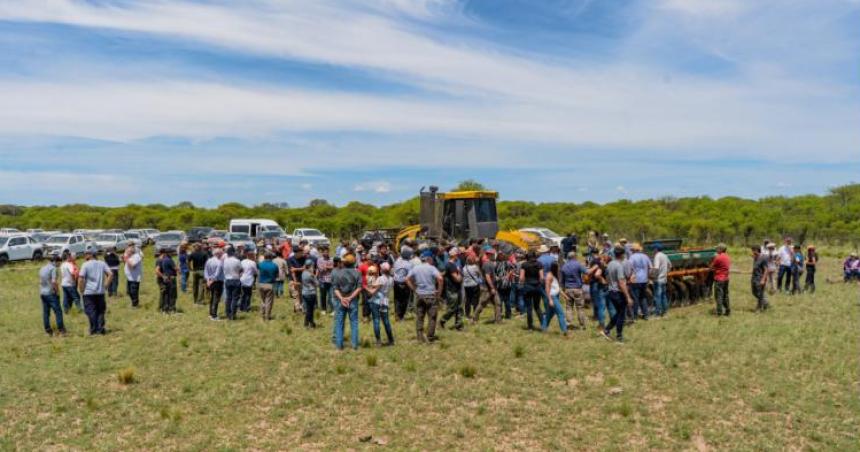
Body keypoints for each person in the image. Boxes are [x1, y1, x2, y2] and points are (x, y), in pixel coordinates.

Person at [406, 250, 443, 343]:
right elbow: (440, 278)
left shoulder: (416, 268)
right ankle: (430, 337)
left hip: (419, 295)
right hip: (431, 295)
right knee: (432, 317)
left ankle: (419, 337)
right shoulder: (432, 268)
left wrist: (414, 289)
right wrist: (439, 292)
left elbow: (407, 279)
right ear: (429, 259)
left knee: (420, 317)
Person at [602, 246, 634, 342]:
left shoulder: (610, 264)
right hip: (618, 293)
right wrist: (628, 297)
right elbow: (621, 282)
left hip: (611, 291)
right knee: (621, 315)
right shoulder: (619, 266)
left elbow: (607, 278)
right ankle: (619, 336)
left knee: (618, 313)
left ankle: (607, 330)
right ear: (622, 255)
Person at [78, 251, 113, 335]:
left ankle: (94, 329)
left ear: (90, 255)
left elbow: (81, 278)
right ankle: (100, 328)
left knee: (90, 311)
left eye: (86, 254)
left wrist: (81, 289)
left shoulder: (85, 265)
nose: (84, 255)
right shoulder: (102, 263)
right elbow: (111, 274)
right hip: (100, 292)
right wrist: (106, 285)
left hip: (89, 292)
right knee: (100, 311)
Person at [332, 254, 362, 350]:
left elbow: (335, 289)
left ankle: (339, 345)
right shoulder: (357, 273)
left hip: (341, 301)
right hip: (352, 301)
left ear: (344, 262)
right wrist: (350, 298)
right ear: (354, 262)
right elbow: (359, 288)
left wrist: (341, 298)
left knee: (339, 323)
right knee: (354, 323)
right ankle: (354, 345)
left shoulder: (338, 273)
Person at [367, 263, 395, 346]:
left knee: (376, 320)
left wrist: (364, 286)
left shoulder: (380, 279)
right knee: (386, 321)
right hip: (385, 301)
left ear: (382, 269)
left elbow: (372, 291)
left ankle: (378, 341)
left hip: (376, 301)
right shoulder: (391, 279)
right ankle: (391, 340)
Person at [39, 256, 66, 336]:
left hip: (43, 293)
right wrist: (57, 292)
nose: (59, 264)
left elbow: (40, 281)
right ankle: (61, 330)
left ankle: (48, 330)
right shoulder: (53, 269)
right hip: (51, 293)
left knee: (46, 313)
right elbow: (54, 282)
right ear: (55, 261)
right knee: (58, 311)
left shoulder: (42, 268)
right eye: (59, 262)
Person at [473, 249, 501, 324]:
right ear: (489, 255)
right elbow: (487, 277)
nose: (494, 255)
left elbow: (491, 276)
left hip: (493, 287)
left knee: (497, 303)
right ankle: (474, 320)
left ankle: (498, 321)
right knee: (482, 304)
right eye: (493, 254)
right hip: (487, 288)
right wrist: (491, 288)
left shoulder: (491, 263)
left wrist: (496, 278)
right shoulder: (487, 264)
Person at [560, 251, 587, 330]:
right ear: (575, 256)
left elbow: (562, 281)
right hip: (577, 289)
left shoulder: (564, 266)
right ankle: (582, 325)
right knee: (580, 308)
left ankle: (568, 324)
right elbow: (586, 272)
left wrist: (563, 290)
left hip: (568, 289)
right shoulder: (578, 264)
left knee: (568, 307)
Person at [440, 247, 464, 330]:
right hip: (452, 290)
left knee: (459, 308)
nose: (458, 256)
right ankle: (442, 320)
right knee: (452, 308)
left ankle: (459, 325)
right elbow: (457, 279)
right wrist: (460, 272)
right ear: (454, 255)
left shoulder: (450, 264)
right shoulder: (451, 265)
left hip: (456, 289)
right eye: (457, 254)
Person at [541, 261, 568, 335]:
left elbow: (557, 287)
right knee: (561, 313)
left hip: (556, 296)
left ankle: (543, 327)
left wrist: (564, 295)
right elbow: (547, 289)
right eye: (558, 267)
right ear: (554, 268)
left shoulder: (555, 275)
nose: (559, 268)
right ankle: (565, 331)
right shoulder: (549, 276)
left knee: (549, 314)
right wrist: (550, 300)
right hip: (552, 297)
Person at [519, 251, 544, 331]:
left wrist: (522, 284)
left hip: (527, 287)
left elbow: (521, 277)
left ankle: (530, 327)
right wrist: (539, 284)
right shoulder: (539, 264)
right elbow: (542, 277)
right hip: (537, 287)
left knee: (529, 308)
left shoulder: (524, 265)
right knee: (537, 307)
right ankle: (543, 325)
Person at [627, 243, 651, 320]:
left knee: (635, 298)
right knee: (643, 297)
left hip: (635, 280)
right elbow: (651, 267)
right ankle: (646, 315)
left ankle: (635, 316)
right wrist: (648, 276)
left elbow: (628, 268)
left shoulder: (632, 257)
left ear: (633, 250)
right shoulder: (645, 256)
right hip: (644, 280)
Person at [587, 254, 609, 329]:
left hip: (597, 285)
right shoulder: (600, 265)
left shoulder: (600, 265)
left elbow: (591, 273)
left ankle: (599, 320)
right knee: (601, 305)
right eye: (604, 260)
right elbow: (597, 274)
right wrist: (603, 280)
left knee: (599, 304)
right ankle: (601, 323)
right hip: (599, 285)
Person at [392, 249, 414, 321]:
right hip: (404, 283)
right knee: (405, 300)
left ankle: (397, 315)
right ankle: (401, 316)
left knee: (397, 299)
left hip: (396, 282)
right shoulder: (409, 264)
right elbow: (410, 276)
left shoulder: (397, 262)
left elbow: (394, 270)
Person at [205, 248, 225, 320]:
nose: (222, 255)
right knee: (216, 298)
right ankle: (214, 315)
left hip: (210, 281)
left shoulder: (209, 260)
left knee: (212, 297)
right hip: (217, 281)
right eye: (221, 253)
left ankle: (211, 313)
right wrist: (212, 280)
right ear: (218, 254)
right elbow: (217, 273)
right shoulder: (219, 262)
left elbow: (206, 271)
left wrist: (208, 280)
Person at [223, 247, 243, 320]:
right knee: (235, 298)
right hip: (235, 279)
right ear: (233, 252)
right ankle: (233, 314)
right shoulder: (237, 261)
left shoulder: (225, 260)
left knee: (228, 298)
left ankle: (228, 314)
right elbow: (241, 270)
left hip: (227, 280)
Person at [494, 250, 515, 320]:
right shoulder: (495, 263)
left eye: (502, 255)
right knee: (499, 300)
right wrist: (496, 277)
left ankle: (508, 314)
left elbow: (513, 268)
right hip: (499, 284)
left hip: (507, 284)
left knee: (507, 300)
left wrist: (508, 275)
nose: (501, 256)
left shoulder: (507, 262)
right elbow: (493, 273)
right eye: (499, 255)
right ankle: (499, 314)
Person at [711, 244, 731, 316]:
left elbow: (712, 267)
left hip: (719, 279)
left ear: (721, 249)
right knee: (725, 295)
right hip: (726, 278)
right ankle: (728, 311)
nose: (716, 250)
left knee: (718, 296)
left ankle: (719, 312)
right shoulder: (727, 256)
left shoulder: (718, 257)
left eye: (717, 248)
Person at [257, 252, 278, 321]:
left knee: (262, 300)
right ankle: (267, 316)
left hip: (261, 284)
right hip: (270, 284)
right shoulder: (274, 265)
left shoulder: (260, 264)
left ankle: (262, 315)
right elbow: (277, 275)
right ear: (271, 257)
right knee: (269, 301)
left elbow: (258, 270)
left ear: (264, 257)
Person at [652, 243, 671, 318]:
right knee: (663, 296)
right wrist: (666, 273)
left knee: (657, 296)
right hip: (664, 279)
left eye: (654, 249)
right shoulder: (665, 255)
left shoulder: (657, 256)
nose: (653, 250)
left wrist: (653, 276)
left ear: (656, 249)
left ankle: (657, 314)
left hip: (658, 279)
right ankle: (665, 313)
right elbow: (670, 265)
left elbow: (656, 268)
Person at [750, 246, 770, 311]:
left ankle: (759, 308)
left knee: (760, 293)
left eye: (753, 250)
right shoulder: (755, 258)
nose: (752, 252)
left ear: (757, 250)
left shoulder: (763, 258)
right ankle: (765, 302)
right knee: (754, 292)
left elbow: (766, 270)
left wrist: (763, 279)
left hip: (760, 278)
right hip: (754, 278)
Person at [301, 261, 318, 328]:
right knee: (310, 309)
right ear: (310, 266)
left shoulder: (303, 273)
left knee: (308, 308)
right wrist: (315, 276)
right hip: (311, 293)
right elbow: (317, 283)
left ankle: (311, 322)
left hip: (304, 292)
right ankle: (307, 323)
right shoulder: (310, 274)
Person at [316, 247, 334, 314]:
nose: (326, 253)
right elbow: (321, 269)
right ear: (322, 252)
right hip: (322, 280)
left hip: (331, 280)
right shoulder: (319, 260)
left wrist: (327, 267)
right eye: (324, 252)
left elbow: (334, 267)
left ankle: (332, 309)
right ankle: (323, 309)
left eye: (327, 252)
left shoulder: (332, 259)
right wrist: (329, 267)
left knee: (331, 296)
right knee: (323, 296)